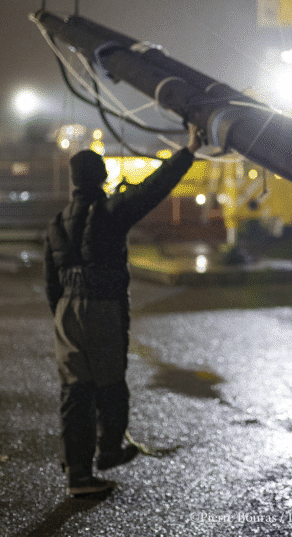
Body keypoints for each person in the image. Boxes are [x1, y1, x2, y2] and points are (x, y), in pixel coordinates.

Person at [44, 125, 203, 495]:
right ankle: (110, 450)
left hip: (66, 310)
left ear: (72, 181)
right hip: (101, 307)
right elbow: (155, 187)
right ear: (101, 178)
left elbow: (50, 283)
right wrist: (189, 150)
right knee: (111, 384)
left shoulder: (55, 225)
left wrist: (64, 313)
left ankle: (78, 474)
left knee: (74, 392)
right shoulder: (111, 212)